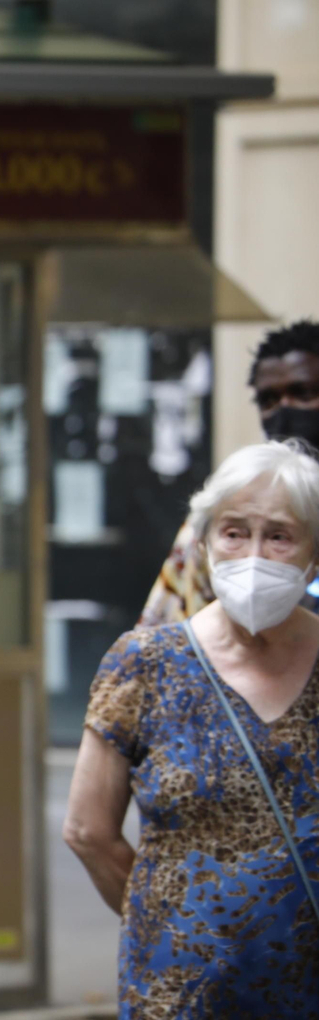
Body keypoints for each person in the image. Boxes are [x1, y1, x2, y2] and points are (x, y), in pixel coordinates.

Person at [65, 439, 319, 1018]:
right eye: (234, 532)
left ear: (314, 555)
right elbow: (87, 830)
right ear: (203, 544)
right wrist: (170, 922)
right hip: (178, 996)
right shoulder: (143, 664)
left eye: (280, 536)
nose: (253, 554)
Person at [140, 320, 319, 626]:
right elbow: (171, 628)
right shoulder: (225, 510)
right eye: (269, 400)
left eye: (302, 393)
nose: (284, 410)